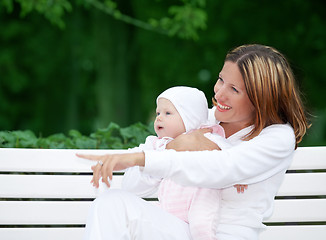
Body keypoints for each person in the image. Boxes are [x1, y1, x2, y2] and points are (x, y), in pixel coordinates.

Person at [77, 44, 309, 240]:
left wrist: (142, 157)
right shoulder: (199, 119)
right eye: (220, 80)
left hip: (226, 235)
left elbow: (221, 167)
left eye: (234, 89)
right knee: (112, 204)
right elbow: (132, 187)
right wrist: (171, 147)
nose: (219, 94)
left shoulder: (278, 137)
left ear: (260, 98)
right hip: (180, 228)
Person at [122, 86, 241, 240]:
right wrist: (163, 154)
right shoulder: (157, 145)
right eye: (158, 113)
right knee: (135, 218)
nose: (159, 118)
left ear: (189, 118)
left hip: (200, 199)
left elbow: (232, 158)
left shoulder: (208, 138)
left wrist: (240, 177)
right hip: (169, 208)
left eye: (167, 113)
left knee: (201, 228)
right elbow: (130, 183)